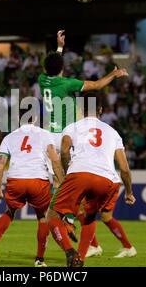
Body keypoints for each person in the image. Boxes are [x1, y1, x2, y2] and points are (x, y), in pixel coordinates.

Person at [38, 30, 129, 240]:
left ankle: (65, 218)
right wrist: (113, 75)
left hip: (50, 135)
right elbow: (96, 86)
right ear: (62, 68)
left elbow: (52, 65)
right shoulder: (67, 83)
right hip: (68, 135)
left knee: (61, 182)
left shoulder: (42, 80)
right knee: (75, 181)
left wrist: (59, 48)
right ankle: (67, 217)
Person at [46, 92, 136, 267]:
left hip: (80, 173)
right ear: (101, 109)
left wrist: (67, 174)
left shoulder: (72, 127)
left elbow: (64, 152)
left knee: (52, 216)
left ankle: (70, 251)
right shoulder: (113, 132)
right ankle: (80, 258)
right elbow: (124, 168)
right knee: (89, 216)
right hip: (108, 180)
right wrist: (129, 192)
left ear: (80, 109)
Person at [0, 121, 64, 267]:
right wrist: (63, 184)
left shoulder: (9, 137)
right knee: (43, 217)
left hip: (16, 180)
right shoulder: (45, 134)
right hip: (38, 181)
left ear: (19, 119)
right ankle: (39, 259)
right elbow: (55, 161)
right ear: (36, 119)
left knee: (10, 212)